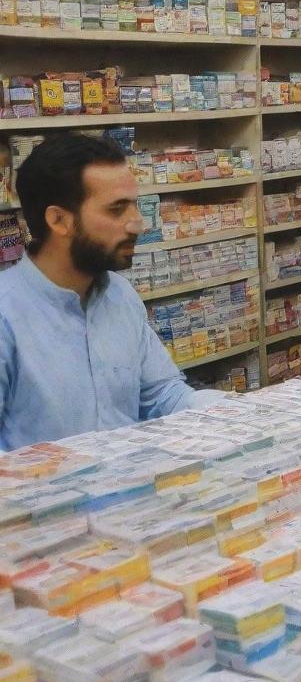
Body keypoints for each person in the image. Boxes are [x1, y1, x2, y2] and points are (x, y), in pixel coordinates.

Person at [0, 133, 222, 451]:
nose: (138, 224)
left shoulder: (119, 295)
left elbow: (162, 397)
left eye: (135, 206)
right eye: (117, 210)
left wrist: (240, 410)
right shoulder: (7, 315)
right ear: (59, 220)